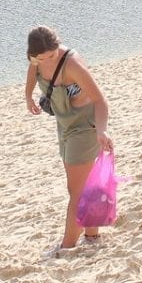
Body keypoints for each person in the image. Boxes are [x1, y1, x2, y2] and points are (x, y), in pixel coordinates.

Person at [24, 25, 114, 257]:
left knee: (75, 191)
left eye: (51, 56)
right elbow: (32, 73)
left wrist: (101, 131)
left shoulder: (71, 64)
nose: (47, 61)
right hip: (64, 126)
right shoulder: (37, 61)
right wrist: (27, 96)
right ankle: (92, 235)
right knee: (83, 185)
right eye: (41, 58)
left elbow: (100, 100)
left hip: (85, 128)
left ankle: (67, 246)